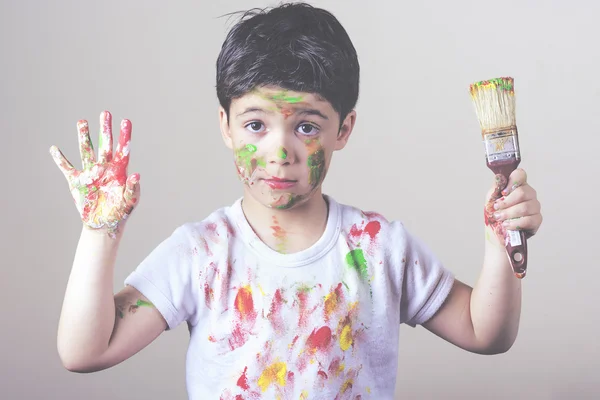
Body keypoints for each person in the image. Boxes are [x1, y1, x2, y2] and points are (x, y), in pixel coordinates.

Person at [51, 3, 543, 399]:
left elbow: (486, 333)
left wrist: (502, 239)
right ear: (225, 125)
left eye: (306, 126)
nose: (280, 150)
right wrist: (100, 231)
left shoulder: (379, 249)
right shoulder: (201, 254)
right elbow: (85, 351)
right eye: (255, 125)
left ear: (343, 130)